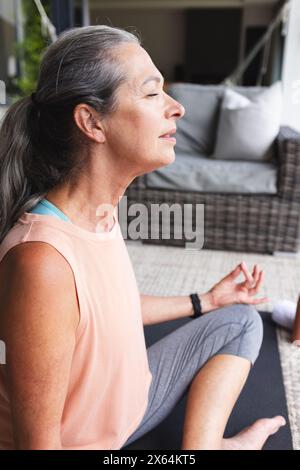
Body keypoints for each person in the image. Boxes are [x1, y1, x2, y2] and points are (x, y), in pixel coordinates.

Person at [0, 25, 285, 450]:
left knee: (240, 320)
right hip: (91, 443)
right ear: (92, 122)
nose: (178, 109)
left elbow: (105, 315)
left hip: (131, 402)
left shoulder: (100, 212)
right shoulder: (41, 262)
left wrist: (205, 301)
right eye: (152, 94)